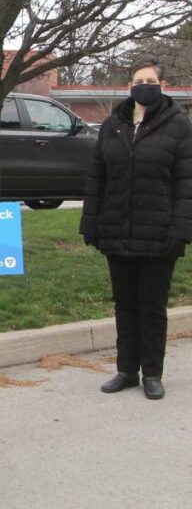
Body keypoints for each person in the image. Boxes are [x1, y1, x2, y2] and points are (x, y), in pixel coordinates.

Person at [80, 59, 192, 400]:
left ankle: (152, 373)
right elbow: (97, 177)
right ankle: (126, 369)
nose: (143, 85)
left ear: (161, 84)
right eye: (138, 79)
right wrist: (91, 221)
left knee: (152, 306)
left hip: (159, 233)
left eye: (149, 79)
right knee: (124, 305)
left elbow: (186, 184)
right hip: (117, 230)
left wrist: (180, 230)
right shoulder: (114, 124)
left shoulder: (179, 127)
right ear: (130, 84)